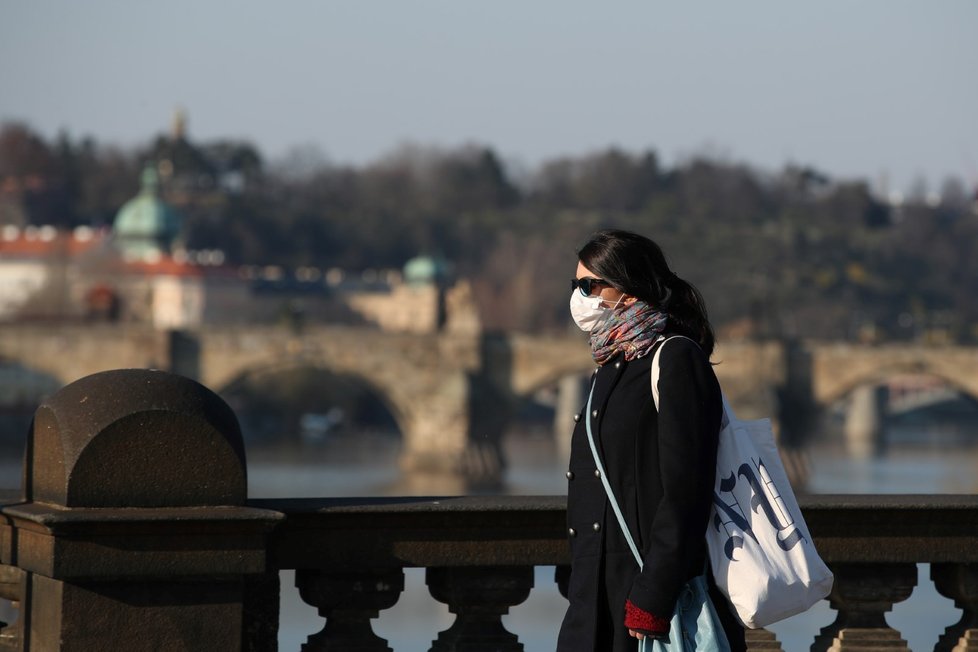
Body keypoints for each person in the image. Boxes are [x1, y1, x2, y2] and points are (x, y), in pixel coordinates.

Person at [556, 229, 746, 652]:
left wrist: (653, 597)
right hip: (593, 599)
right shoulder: (609, 365)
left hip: (647, 601)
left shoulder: (675, 358)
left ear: (628, 289)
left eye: (589, 286)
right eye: (575, 285)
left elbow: (687, 492)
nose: (579, 297)